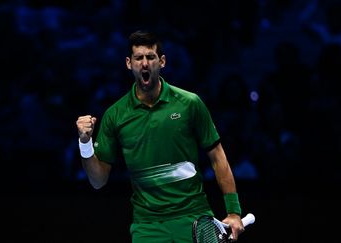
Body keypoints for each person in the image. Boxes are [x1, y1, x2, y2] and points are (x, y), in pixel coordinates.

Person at [76, 30, 245, 242]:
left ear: (162, 61)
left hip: (193, 216)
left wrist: (233, 212)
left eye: (150, 57)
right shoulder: (115, 115)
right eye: (138, 58)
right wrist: (85, 144)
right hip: (147, 225)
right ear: (129, 63)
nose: (144, 63)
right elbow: (98, 181)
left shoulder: (190, 103)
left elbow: (218, 157)